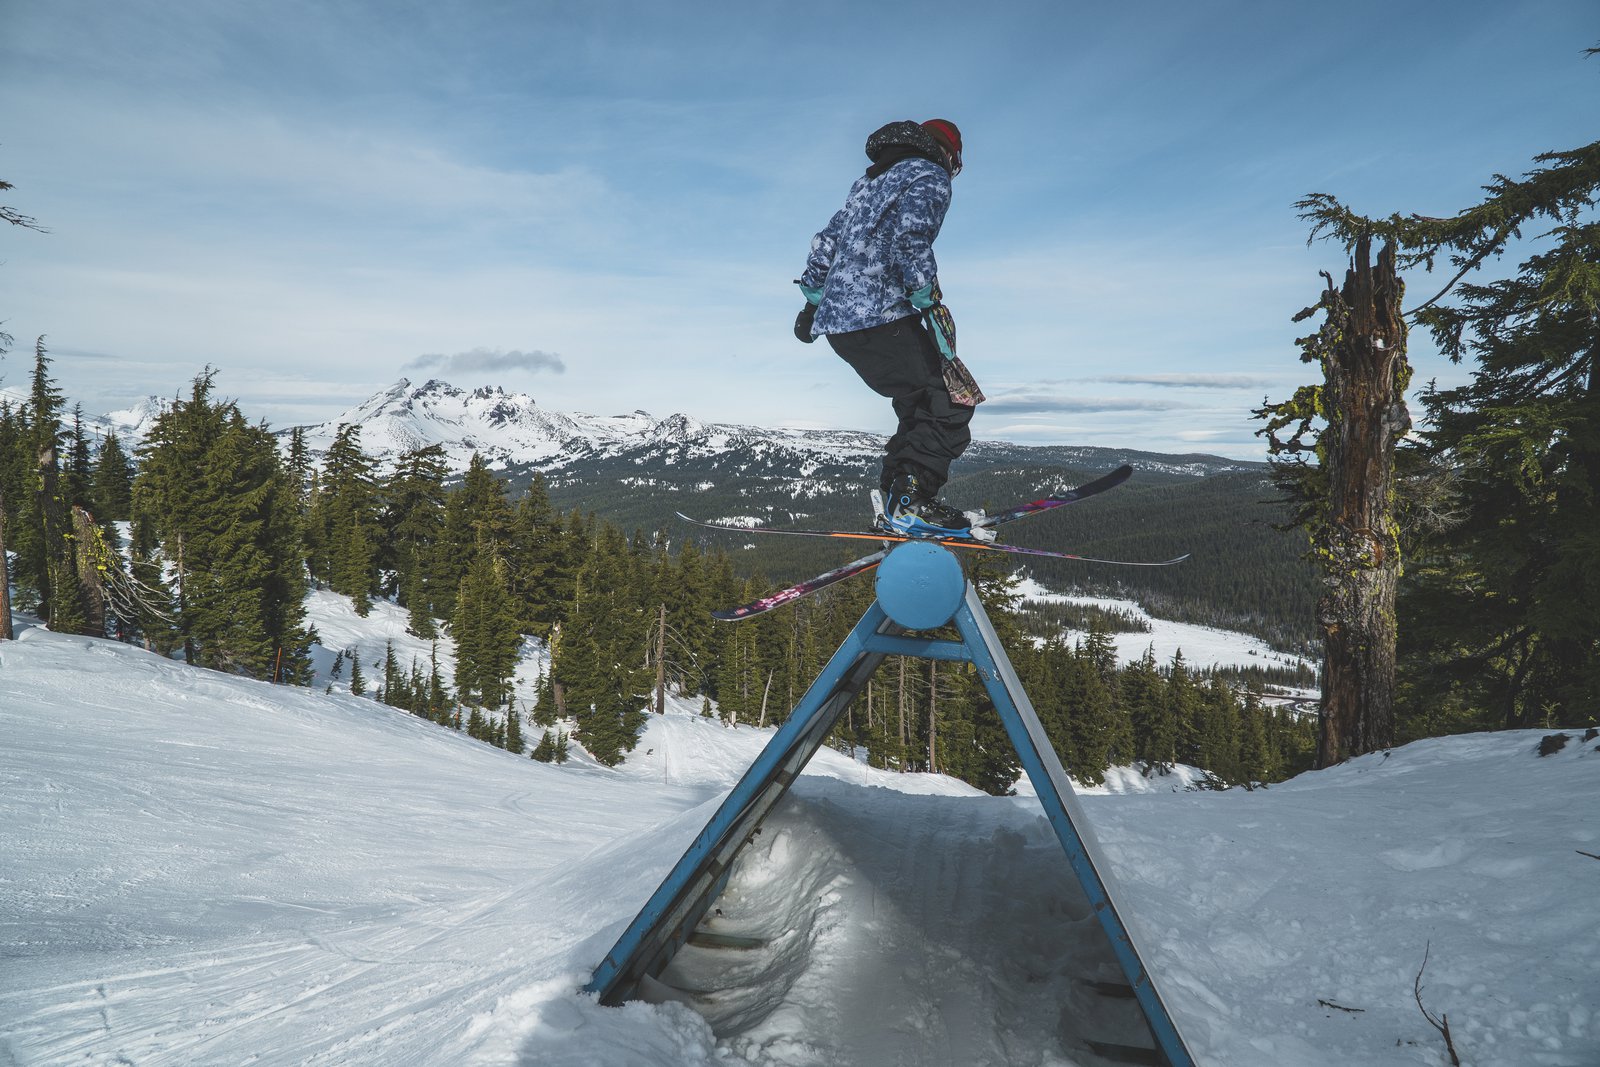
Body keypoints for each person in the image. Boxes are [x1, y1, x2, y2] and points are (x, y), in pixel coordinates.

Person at [794, 118, 979, 536]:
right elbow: (910, 240)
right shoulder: (930, 175)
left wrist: (813, 301)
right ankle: (911, 504)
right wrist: (928, 300)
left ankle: (897, 500)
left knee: (918, 405)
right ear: (948, 154)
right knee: (951, 402)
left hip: (841, 328)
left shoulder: (867, 184)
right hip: (883, 316)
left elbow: (826, 242)